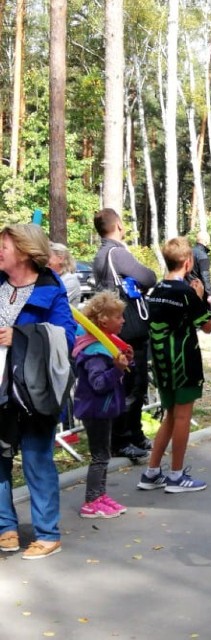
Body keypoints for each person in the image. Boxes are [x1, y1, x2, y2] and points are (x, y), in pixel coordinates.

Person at [0, 223, 76, 559]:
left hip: (35, 389)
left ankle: (48, 533)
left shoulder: (50, 287)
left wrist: (22, 336)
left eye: (4, 245)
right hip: (1, 386)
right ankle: (6, 528)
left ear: (25, 251)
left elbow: (67, 336)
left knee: (36, 458)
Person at [137, 237, 211, 494]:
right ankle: (176, 475)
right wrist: (200, 297)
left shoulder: (156, 291)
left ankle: (152, 471)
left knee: (170, 415)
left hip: (160, 363)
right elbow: (207, 326)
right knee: (182, 417)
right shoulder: (186, 293)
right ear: (188, 261)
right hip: (183, 361)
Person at [92, 207, 157, 462]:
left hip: (116, 325)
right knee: (133, 384)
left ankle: (134, 434)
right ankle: (122, 439)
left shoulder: (100, 254)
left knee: (132, 384)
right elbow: (149, 277)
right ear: (118, 225)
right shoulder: (117, 253)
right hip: (128, 326)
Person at [73, 292, 131, 518]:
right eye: (119, 317)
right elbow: (98, 383)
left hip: (102, 409)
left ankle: (100, 495)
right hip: (95, 410)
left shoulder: (105, 345)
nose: (123, 320)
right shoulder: (95, 352)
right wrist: (116, 369)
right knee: (99, 456)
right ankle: (91, 501)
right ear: (104, 320)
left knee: (103, 455)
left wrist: (124, 361)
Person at [48, 242, 81, 307]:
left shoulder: (70, 280)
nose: (45, 261)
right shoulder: (51, 278)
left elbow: (53, 305)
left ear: (60, 259)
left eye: (49, 257)